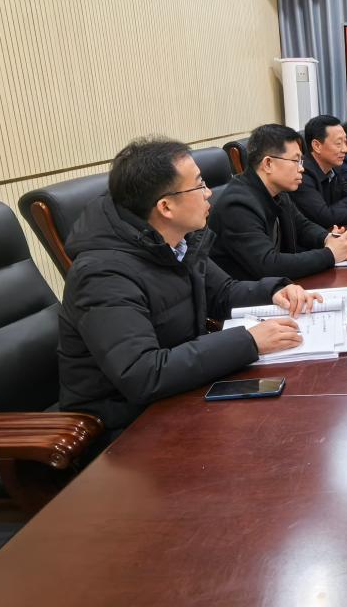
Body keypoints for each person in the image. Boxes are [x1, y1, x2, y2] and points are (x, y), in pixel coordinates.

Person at [58, 138, 316, 436]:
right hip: (125, 426)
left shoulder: (177, 241)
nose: (209, 193)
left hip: (181, 392)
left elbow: (223, 292)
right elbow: (143, 374)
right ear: (165, 206)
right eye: (199, 185)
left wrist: (274, 291)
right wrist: (249, 342)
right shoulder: (103, 274)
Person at [208, 124, 347, 280]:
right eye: (296, 160)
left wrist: (329, 238)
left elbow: (302, 227)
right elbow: (268, 265)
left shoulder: (278, 192)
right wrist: (330, 254)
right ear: (268, 164)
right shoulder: (237, 206)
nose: (302, 169)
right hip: (248, 291)